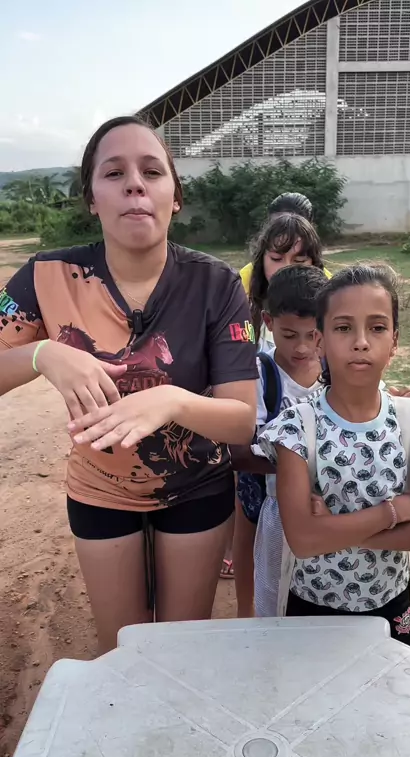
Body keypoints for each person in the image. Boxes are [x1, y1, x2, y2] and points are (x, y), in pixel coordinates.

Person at [0, 115, 258, 654]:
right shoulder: (45, 276)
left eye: (152, 172)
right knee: (124, 649)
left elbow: (242, 420)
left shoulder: (216, 284)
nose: (135, 185)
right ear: (92, 198)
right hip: (99, 488)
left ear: (175, 197)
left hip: (197, 486)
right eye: (114, 172)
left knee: (181, 649)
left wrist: (172, 400)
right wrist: (43, 353)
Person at [257, 264, 410, 645]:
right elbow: (303, 540)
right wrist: (394, 513)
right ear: (320, 342)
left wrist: (337, 531)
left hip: (391, 608)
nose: (361, 342)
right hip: (312, 608)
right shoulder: (296, 428)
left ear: (394, 341)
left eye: (377, 327)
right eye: (343, 328)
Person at [231, 213, 325, 615]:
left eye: (299, 259)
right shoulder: (258, 368)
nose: (302, 347)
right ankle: (249, 618)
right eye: (278, 257)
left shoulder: (335, 368)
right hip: (264, 497)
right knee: (262, 568)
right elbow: (238, 451)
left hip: (319, 505)